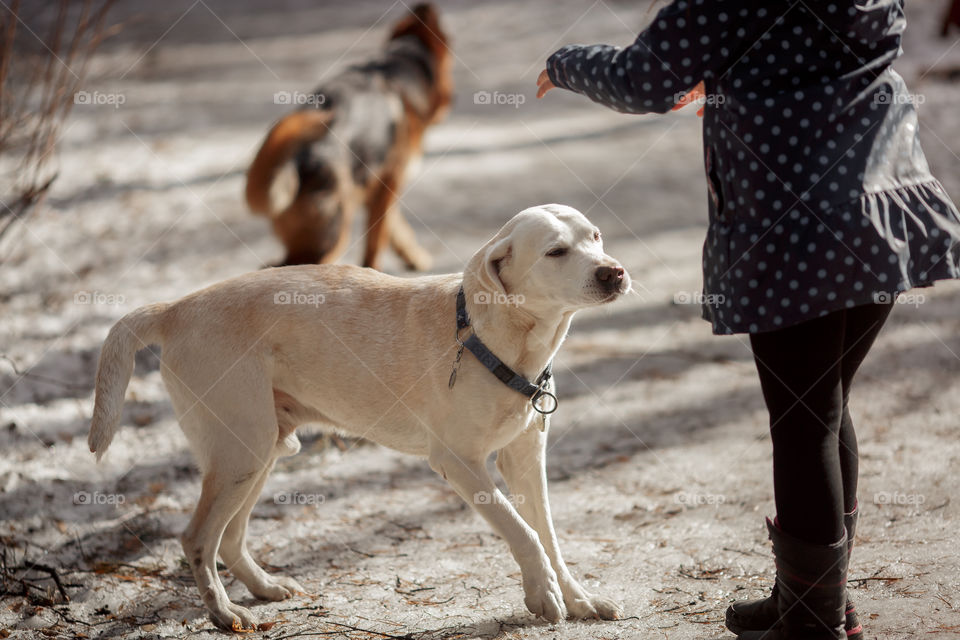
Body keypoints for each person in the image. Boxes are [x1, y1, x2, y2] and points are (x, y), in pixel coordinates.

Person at [536, 1, 960, 639]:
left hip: (797, 231)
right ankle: (814, 599)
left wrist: (564, 62)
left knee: (804, 423)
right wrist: (735, 70)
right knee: (825, 408)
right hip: (883, 211)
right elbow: (809, 53)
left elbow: (644, 79)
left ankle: (813, 621)